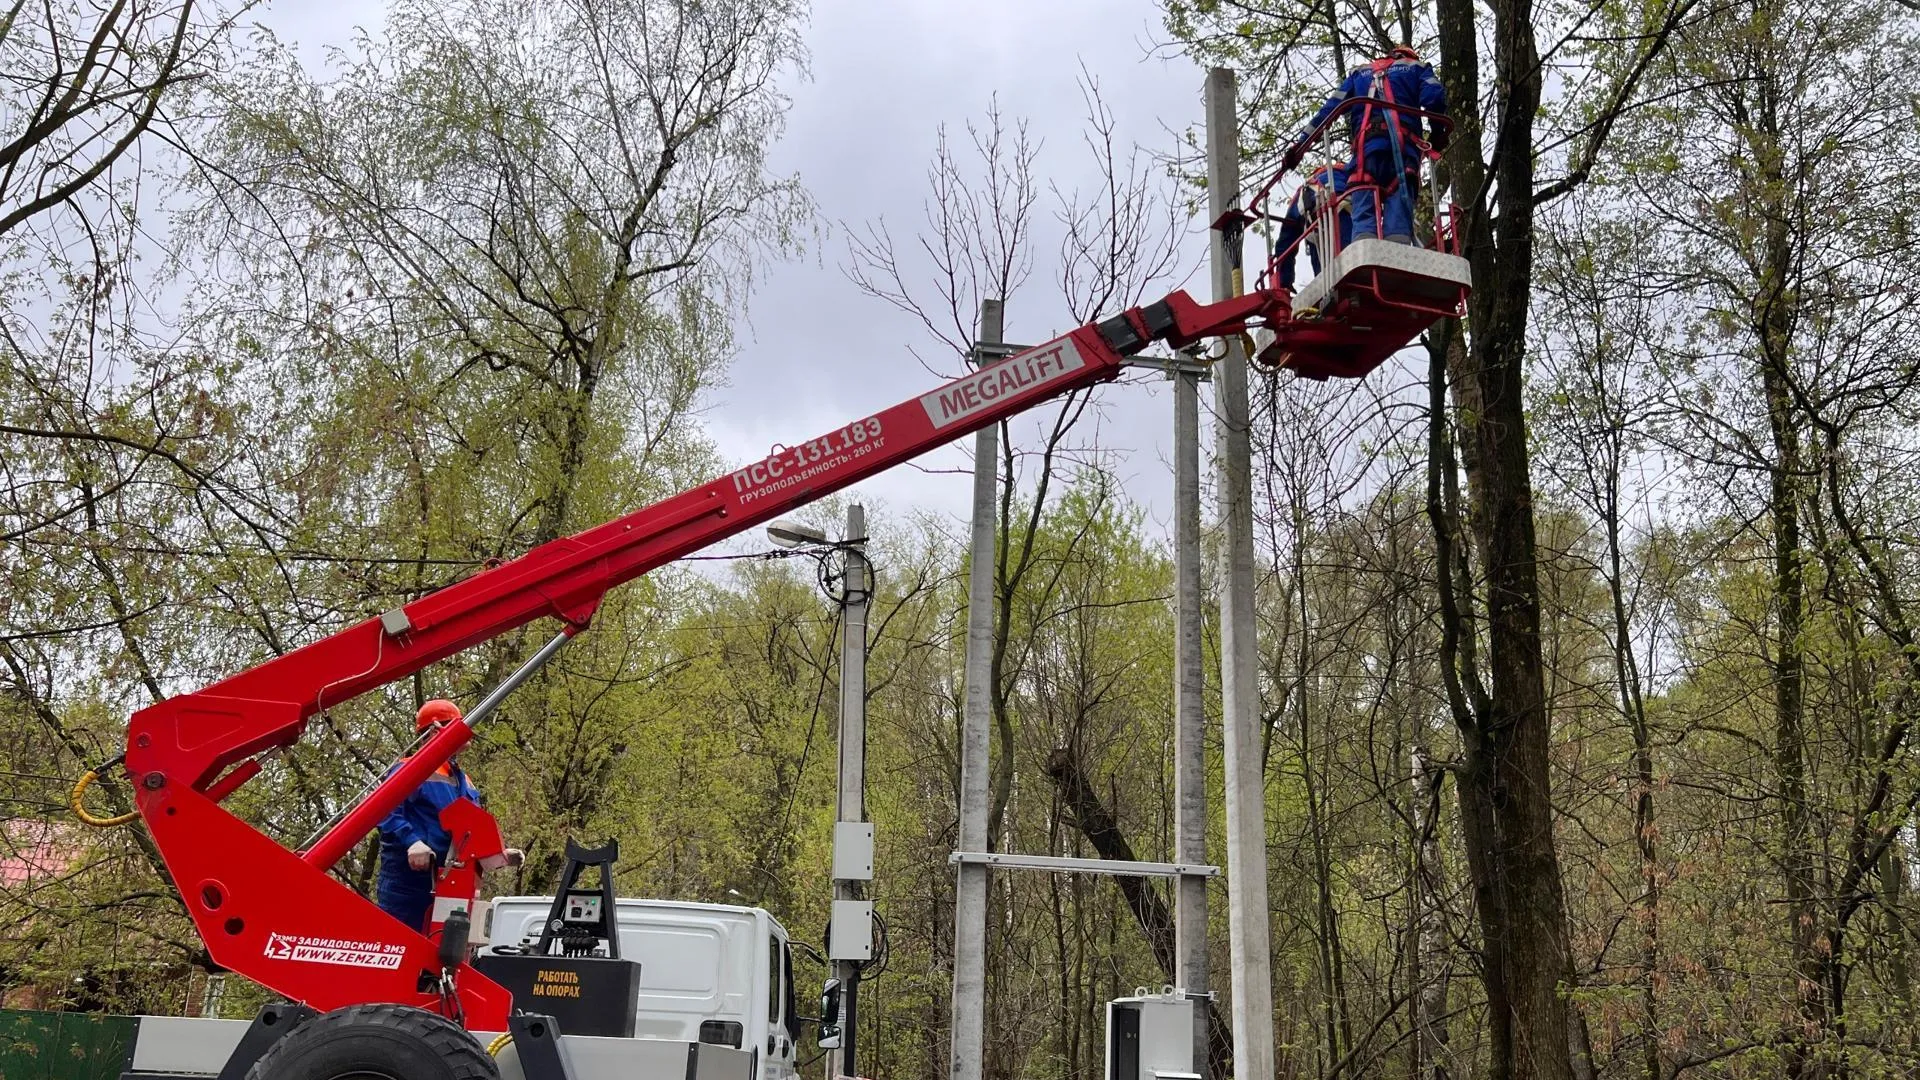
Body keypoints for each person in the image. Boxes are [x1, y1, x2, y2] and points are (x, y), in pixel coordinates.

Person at [375, 699, 521, 932]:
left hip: (452, 881)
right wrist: (412, 842)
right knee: (401, 942)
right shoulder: (410, 767)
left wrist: (494, 854)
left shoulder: (463, 780)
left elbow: (468, 828)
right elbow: (384, 811)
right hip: (408, 882)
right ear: (435, 730)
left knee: (442, 948)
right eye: (456, 725)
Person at [1284, 45, 1447, 245]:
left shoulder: (1359, 73)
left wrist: (1300, 146)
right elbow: (1435, 98)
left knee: (1363, 216)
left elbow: (1328, 111)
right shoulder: (1417, 68)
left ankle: (1365, 254)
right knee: (1398, 217)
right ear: (1409, 56)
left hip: (1366, 154)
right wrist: (1438, 133)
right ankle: (1397, 256)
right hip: (1404, 154)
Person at [1273, 160, 1352, 290]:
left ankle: (1325, 291)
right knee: (1350, 257)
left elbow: (1285, 243)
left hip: (1315, 224)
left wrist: (1284, 282)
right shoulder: (1347, 173)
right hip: (1344, 214)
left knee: (1324, 281)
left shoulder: (1303, 191)